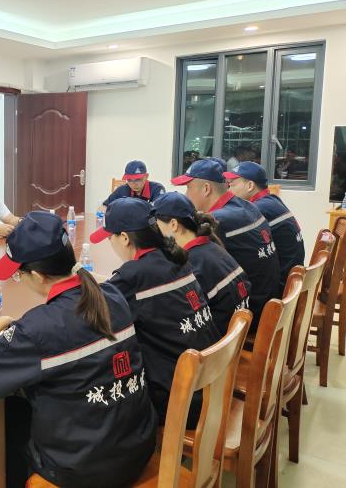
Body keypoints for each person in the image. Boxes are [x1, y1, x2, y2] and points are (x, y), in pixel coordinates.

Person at [0, 211, 156, 488]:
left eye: (19, 274)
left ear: (36, 275)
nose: (19, 279)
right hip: (137, 448)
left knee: (12, 416)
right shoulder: (112, 295)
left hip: (83, 471)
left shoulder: (38, 328)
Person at [90, 198, 219, 427]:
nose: (110, 243)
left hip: (181, 401)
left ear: (125, 238)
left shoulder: (133, 276)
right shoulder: (175, 258)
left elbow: (93, 315)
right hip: (211, 385)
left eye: (110, 237)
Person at [172, 159, 280, 327]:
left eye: (188, 188)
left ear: (206, 189)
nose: (186, 195)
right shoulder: (248, 206)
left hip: (249, 314)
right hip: (267, 300)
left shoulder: (217, 221)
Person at [153, 192, 251, 336]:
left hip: (219, 342)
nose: (155, 232)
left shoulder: (190, 265)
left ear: (173, 224)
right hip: (235, 335)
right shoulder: (213, 246)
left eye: (157, 225)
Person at [225, 161, 305, 292]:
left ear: (250, 185)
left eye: (231, 185)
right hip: (292, 281)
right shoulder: (272, 200)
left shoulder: (257, 209)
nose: (228, 191)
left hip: (281, 288)